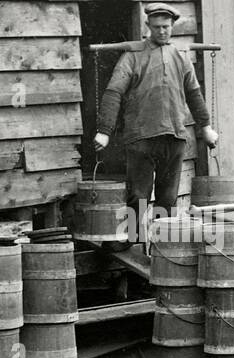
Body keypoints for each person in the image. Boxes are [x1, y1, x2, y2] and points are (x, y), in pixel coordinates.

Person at [94, 2, 219, 246]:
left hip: (174, 137)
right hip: (141, 138)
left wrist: (205, 128)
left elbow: (194, 94)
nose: (162, 31)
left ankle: (164, 244)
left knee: (168, 196)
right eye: (157, 27)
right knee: (137, 195)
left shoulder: (181, 57)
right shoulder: (132, 56)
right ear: (147, 26)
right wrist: (104, 131)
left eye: (166, 27)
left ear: (172, 26)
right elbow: (113, 92)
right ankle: (133, 239)